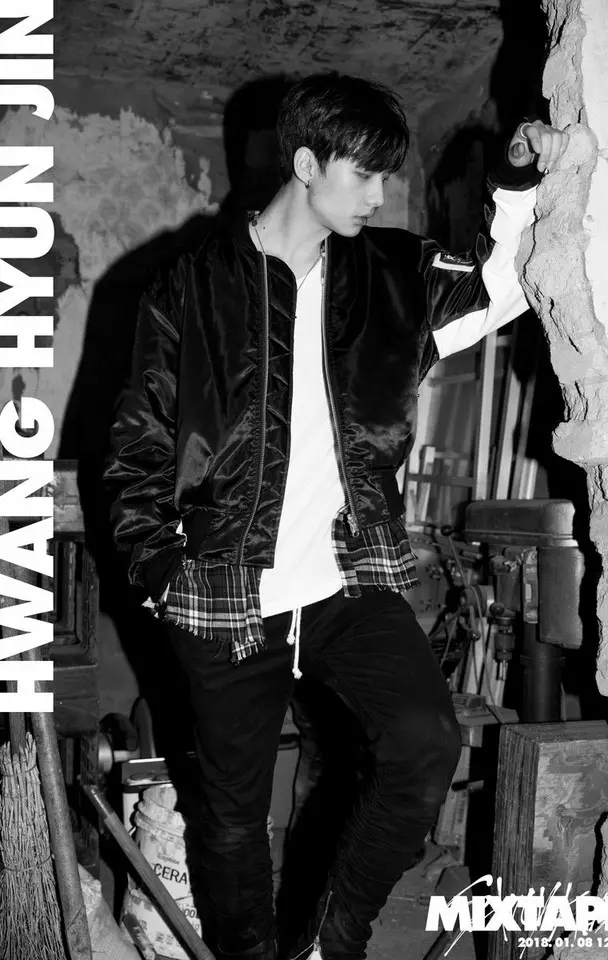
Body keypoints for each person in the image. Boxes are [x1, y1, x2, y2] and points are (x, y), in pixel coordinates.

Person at [104, 73, 569, 960]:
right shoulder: (191, 287)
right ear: (306, 163)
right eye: (364, 174)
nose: (380, 195)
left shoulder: (391, 275)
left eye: (388, 176)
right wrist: (162, 574)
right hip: (226, 594)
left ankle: (332, 939)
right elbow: (136, 453)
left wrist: (516, 181)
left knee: (424, 741)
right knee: (233, 816)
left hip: (344, 582)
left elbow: (502, 284)